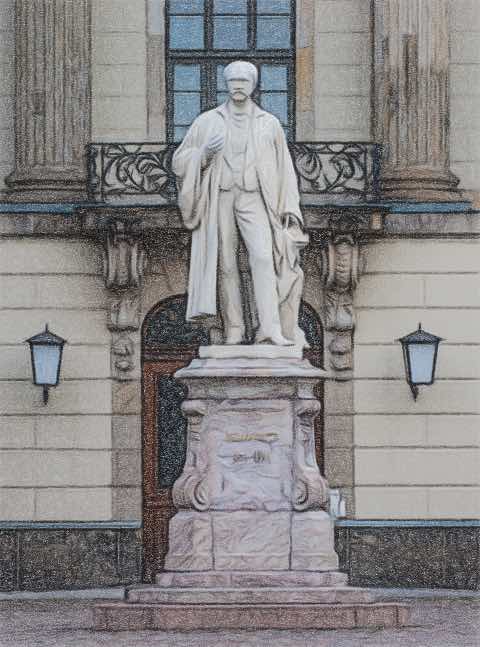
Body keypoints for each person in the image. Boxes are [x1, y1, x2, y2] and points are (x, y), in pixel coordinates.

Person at [172, 60, 308, 347]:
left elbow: (285, 169)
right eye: (232, 80)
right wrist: (204, 154)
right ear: (225, 83)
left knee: (263, 257)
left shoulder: (269, 123)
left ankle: (269, 328)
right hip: (220, 196)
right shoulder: (207, 121)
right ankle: (234, 328)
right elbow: (180, 161)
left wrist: (290, 210)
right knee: (226, 263)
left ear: (253, 85)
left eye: (243, 81)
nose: (237, 85)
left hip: (255, 197)